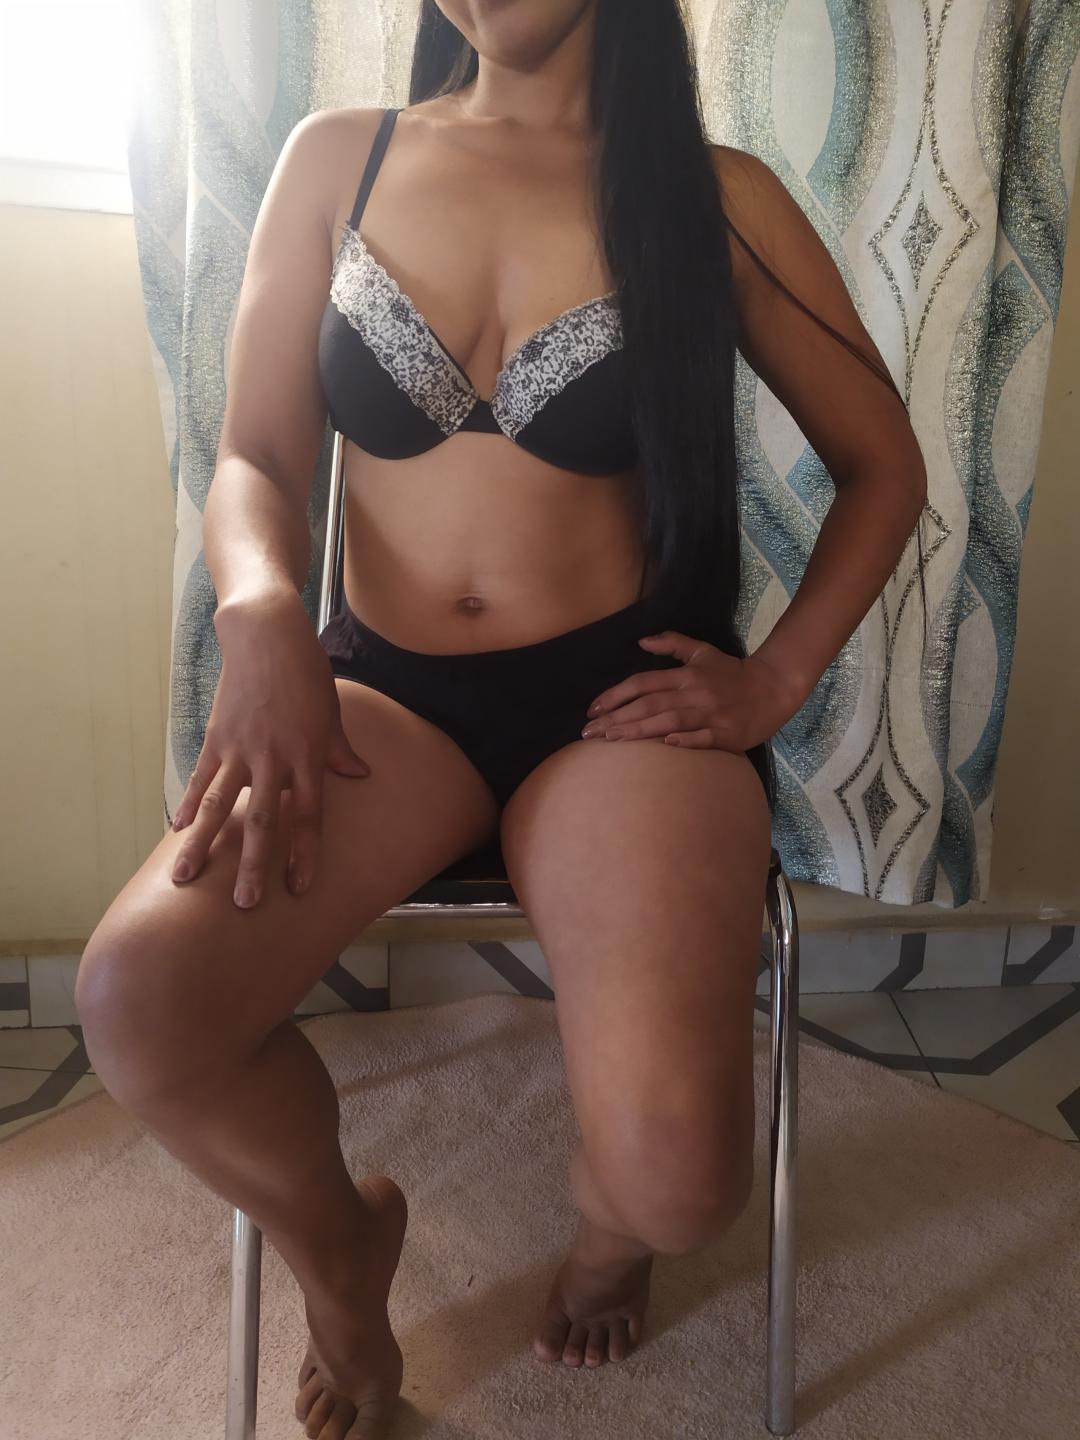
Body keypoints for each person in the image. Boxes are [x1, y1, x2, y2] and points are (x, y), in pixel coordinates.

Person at [75, 2, 928, 1435]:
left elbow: (883, 463)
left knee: (680, 1184)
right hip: (385, 697)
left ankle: (608, 1234)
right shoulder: (337, 158)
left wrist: (776, 679)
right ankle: (343, 1252)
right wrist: (261, 610)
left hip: (620, 706)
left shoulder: (716, 198)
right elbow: (255, 456)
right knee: (139, 1007)